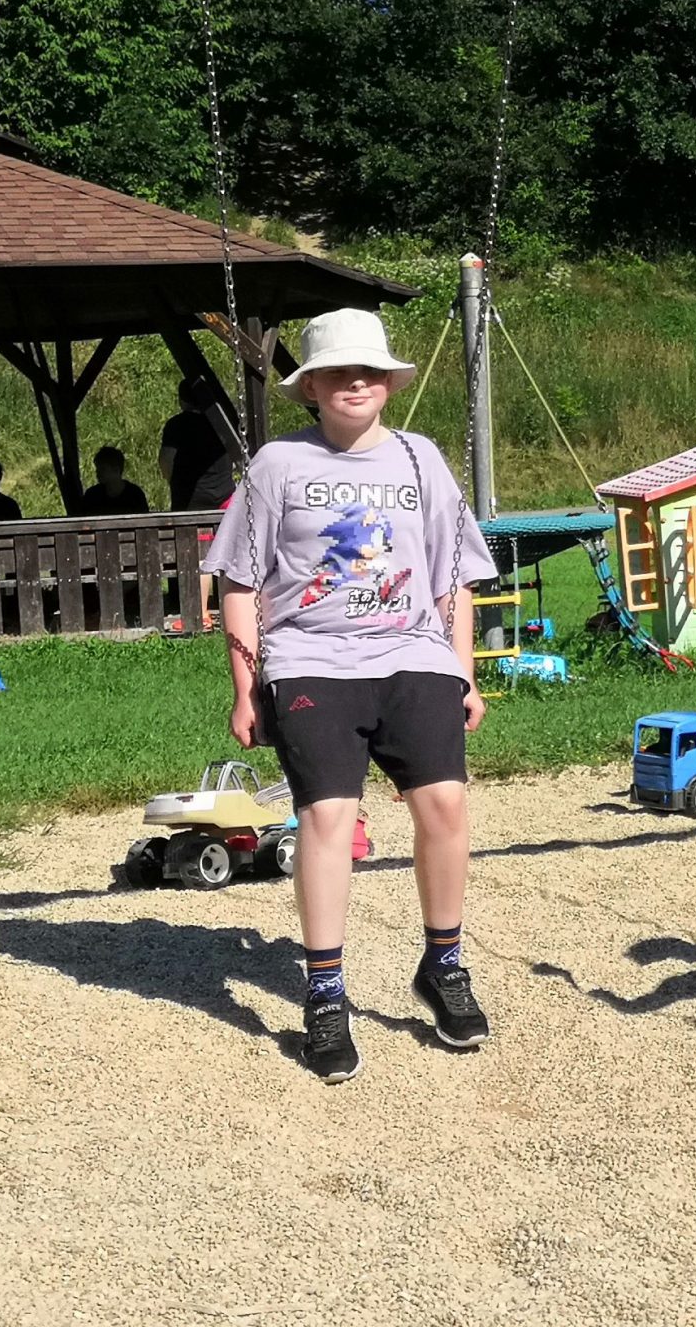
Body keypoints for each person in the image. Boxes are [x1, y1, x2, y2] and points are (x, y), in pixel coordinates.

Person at [203, 306, 497, 1085]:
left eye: (369, 370)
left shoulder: (421, 459)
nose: (355, 382)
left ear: (390, 382)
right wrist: (245, 687)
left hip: (412, 652)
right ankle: (326, 993)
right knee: (328, 816)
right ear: (312, 387)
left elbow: (454, 578)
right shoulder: (277, 465)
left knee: (445, 804)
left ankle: (443, 965)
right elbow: (239, 583)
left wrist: (464, 673)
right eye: (338, 372)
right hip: (309, 659)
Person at [159, 378, 235, 511]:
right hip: (225, 498)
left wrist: (175, 482)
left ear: (182, 401)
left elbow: (166, 460)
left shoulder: (177, 425)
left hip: (189, 500)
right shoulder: (223, 423)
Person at [77, 445, 150, 515]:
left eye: (103, 469)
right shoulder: (92, 496)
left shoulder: (135, 495)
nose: (98, 472)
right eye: (97, 468)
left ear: (116, 470)